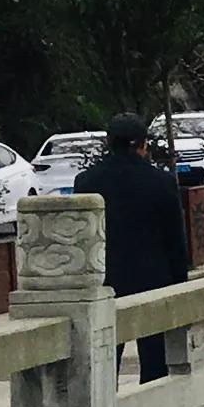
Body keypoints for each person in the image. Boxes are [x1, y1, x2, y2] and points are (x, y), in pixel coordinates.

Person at [73, 114, 192, 382]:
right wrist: (181, 286)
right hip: (154, 284)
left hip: (104, 285)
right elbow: (175, 242)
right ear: (143, 145)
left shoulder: (86, 182)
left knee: (102, 370)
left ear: (109, 143)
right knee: (155, 369)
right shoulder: (161, 182)